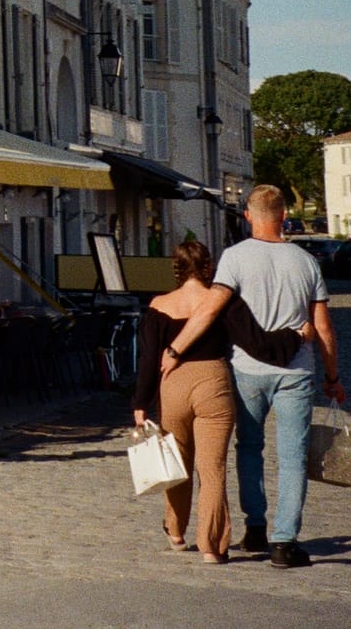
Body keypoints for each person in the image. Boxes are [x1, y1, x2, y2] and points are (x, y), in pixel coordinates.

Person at [165, 185, 344, 570]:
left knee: (249, 449)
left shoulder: (235, 257)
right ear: (283, 216)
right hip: (296, 371)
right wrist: (333, 376)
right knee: (293, 456)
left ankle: (256, 527)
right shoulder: (305, 262)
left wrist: (176, 349)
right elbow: (324, 327)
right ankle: (284, 540)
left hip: (248, 370)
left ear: (248, 215)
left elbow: (209, 311)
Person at [134, 240, 243, 563]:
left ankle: (176, 530)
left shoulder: (159, 305)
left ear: (177, 267)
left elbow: (148, 359)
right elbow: (248, 337)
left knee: (176, 463)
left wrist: (141, 402)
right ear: (208, 266)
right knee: (213, 469)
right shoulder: (219, 300)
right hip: (214, 382)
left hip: (173, 385)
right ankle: (212, 546)